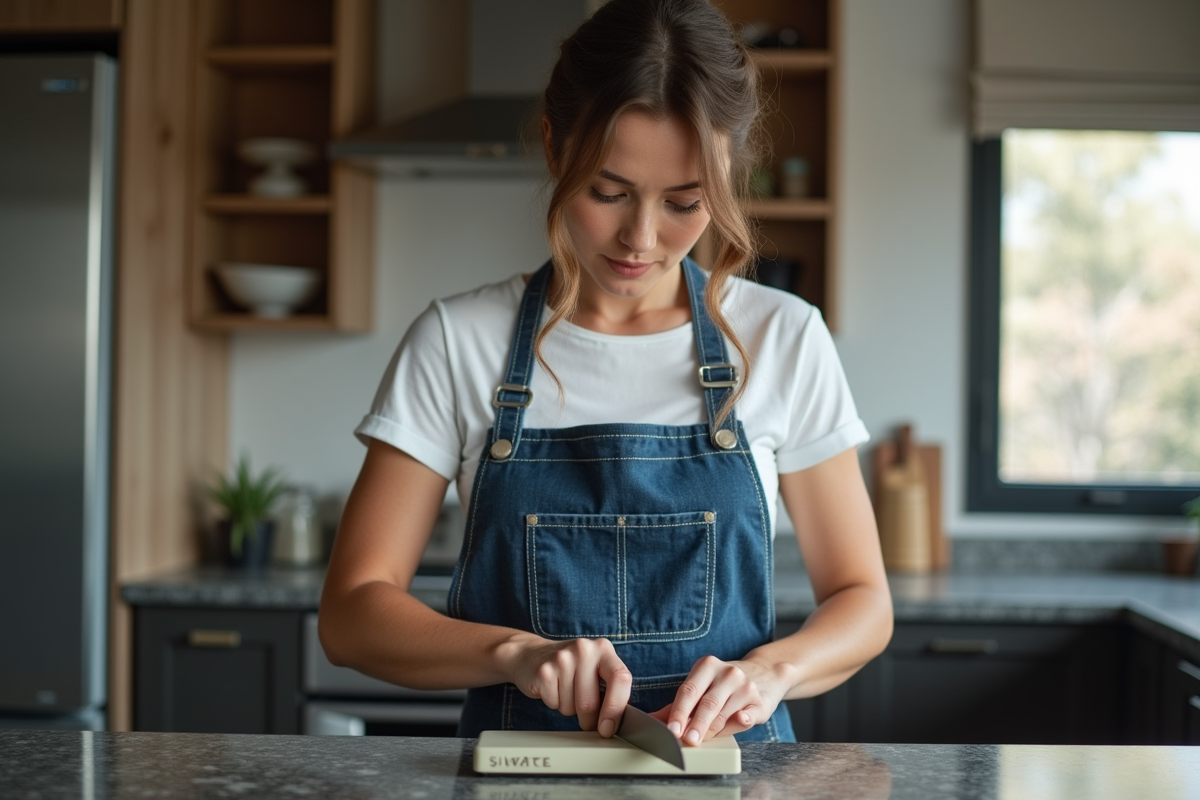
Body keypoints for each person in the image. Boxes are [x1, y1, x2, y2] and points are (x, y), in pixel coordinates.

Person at [319, 0, 892, 745]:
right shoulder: (458, 341)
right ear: (556, 149)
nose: (642, 239)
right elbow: (353, 612)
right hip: (522, 781)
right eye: (608, 192)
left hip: (733, 782)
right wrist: (517, 653)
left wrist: (773, 672)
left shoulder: (783, 336)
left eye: (686, 203)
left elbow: (862, 599)